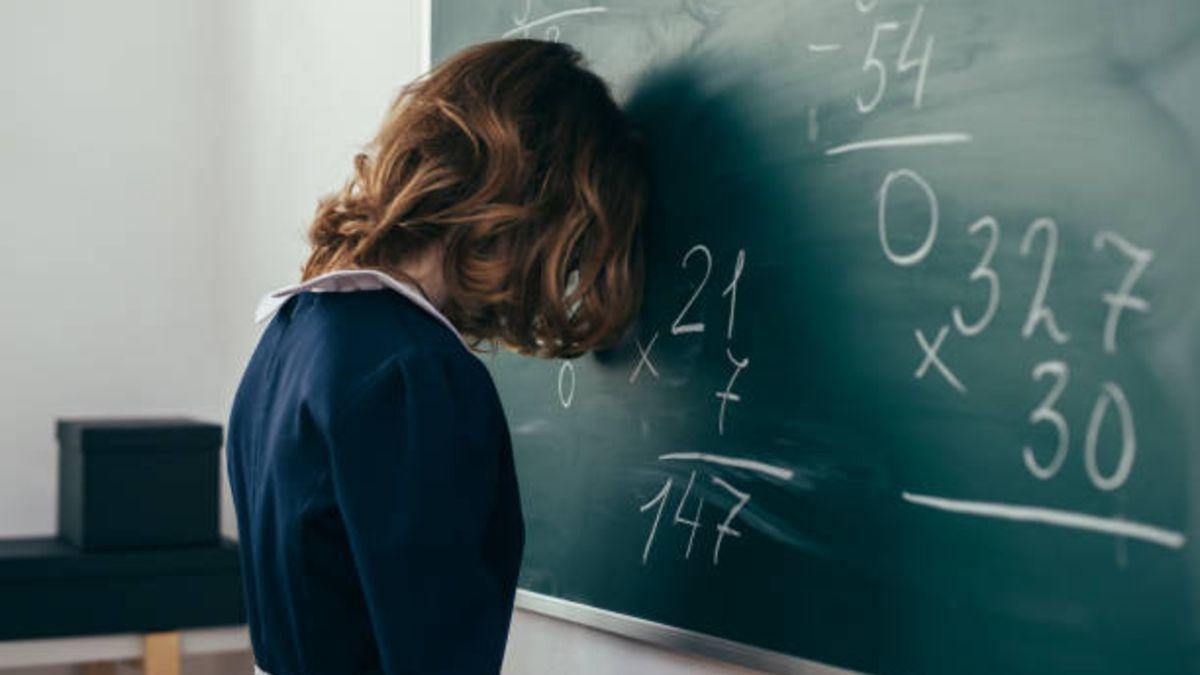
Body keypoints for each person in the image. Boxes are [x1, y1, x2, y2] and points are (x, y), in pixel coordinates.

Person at [225, 38, 649, 675]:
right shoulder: (413, 374)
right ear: (531, 207)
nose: (566, 272)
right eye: (576, 241)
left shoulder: (296, 327)